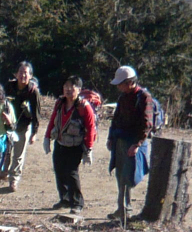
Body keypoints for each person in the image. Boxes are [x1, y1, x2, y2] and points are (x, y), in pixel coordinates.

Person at [106, 65, 154, 222]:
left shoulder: (144, 97)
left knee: (129, 176)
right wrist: (110, 137)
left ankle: (126, 209)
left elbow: (147, 124)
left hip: (133, 143)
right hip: (120, 140)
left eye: (121, 83)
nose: (119, 87)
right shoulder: (122, 97)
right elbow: (116, 119)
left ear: (130, 82)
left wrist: (137, 144)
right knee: (120, 176)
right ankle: (122, 209)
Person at [44, 76, 96, 214]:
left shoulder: (84, 107)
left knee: (71, 173)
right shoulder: (60, 103)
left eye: (71, 87)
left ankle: (77, 203)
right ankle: (65, 199)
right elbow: (52, 120)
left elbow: (91, 128)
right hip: (60, 143)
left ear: (79, 89)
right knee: (59, 171)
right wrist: (47, 137)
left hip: (76, 145)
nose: (67, 89)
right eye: (65, 86)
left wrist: (89, 148)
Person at [4, 62, 41, 192]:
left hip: (23, 126)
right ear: (15, 74)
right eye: (20, 72)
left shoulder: (33, 92)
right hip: (7, 127)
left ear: (30, 76)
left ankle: (14, 180)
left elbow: (37, 114)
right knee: (5, 152)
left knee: (18, 155)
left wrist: (34, 133)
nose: (23, 75)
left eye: (26, 73)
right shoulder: (9, 87)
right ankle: (2, 174)